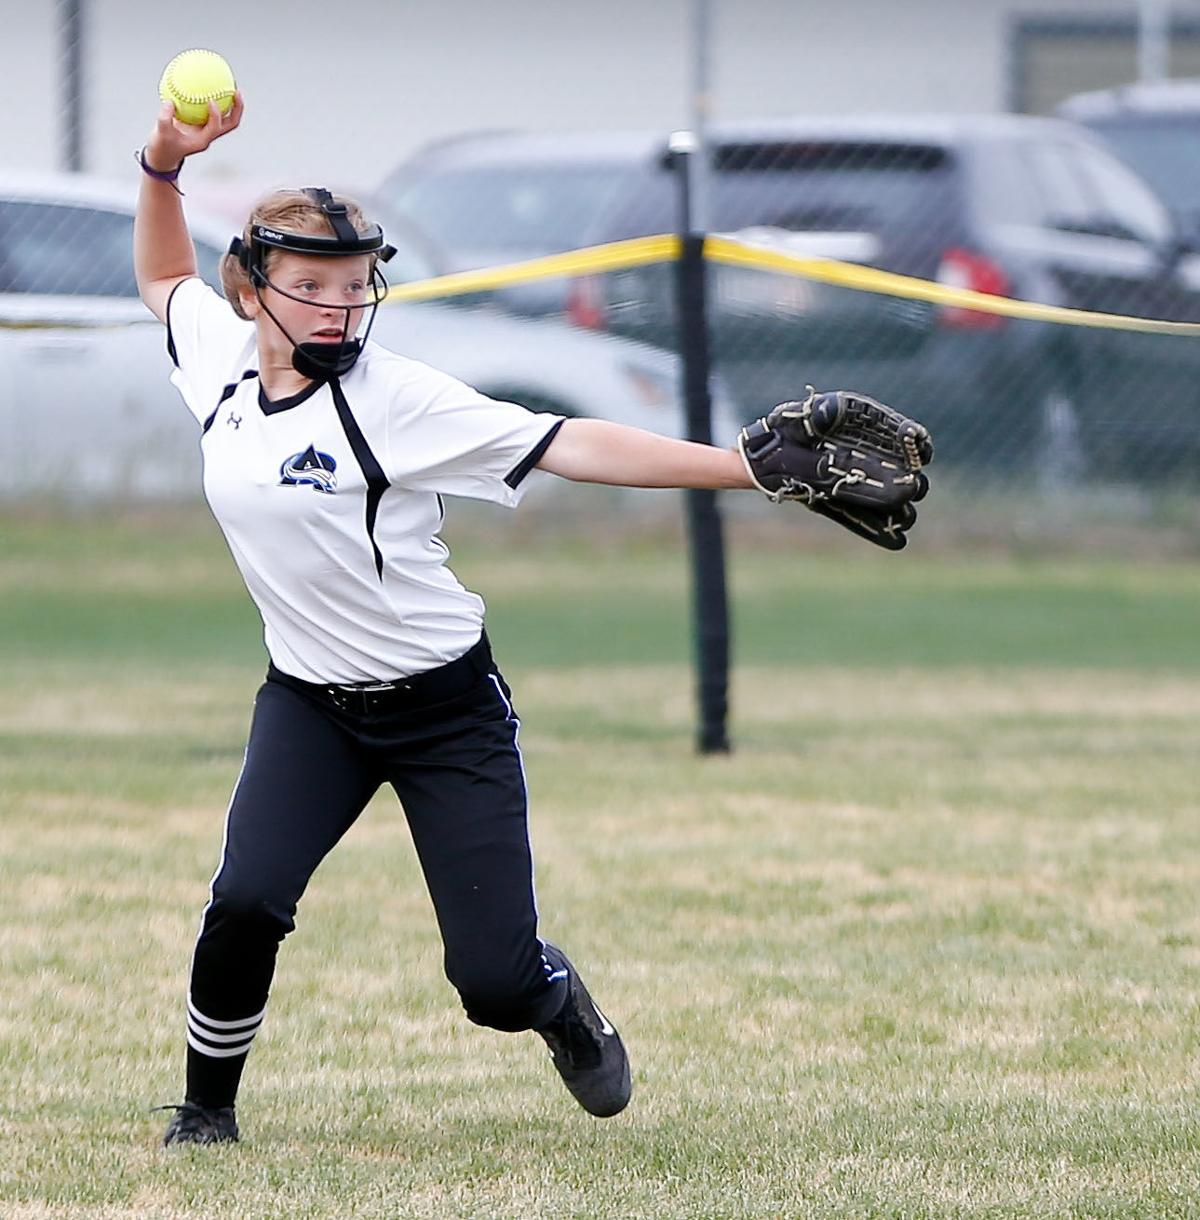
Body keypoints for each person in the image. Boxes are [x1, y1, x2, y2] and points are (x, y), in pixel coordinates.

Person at [134, 94, 758, 1146]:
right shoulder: (222, 358)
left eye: (353, 285)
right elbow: (161, 278)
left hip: (443, 709)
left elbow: (573, 442)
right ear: (253, 290)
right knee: (244, 898)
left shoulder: (397, 397)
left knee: (491, 980)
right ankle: (205, 1110)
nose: (337, 308)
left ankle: (558, 1000)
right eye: (309, 287)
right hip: (311, 705)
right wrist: (160, 167)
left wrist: (743, 470)